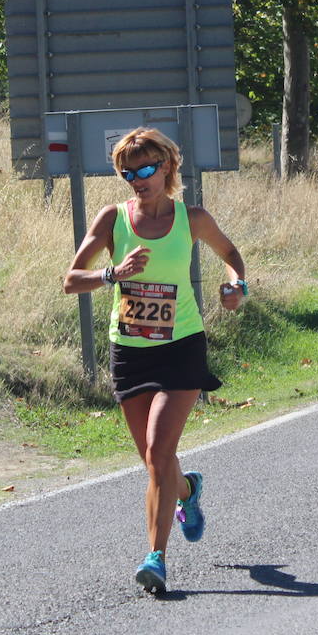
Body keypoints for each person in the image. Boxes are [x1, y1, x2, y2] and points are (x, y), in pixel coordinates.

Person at [63, 127, 247, 595]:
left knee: (159, 452)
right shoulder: (113, 219)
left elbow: (231, 255)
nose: (137, 179)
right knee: (152, 459)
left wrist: (235, 288)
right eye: (128, 173)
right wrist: (112, 273)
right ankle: (187, 490)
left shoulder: (193, 218)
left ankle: (156, 558)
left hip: (181, 346)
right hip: (129, 351)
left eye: (146, 170)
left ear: (167, 167)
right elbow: (71, 279)